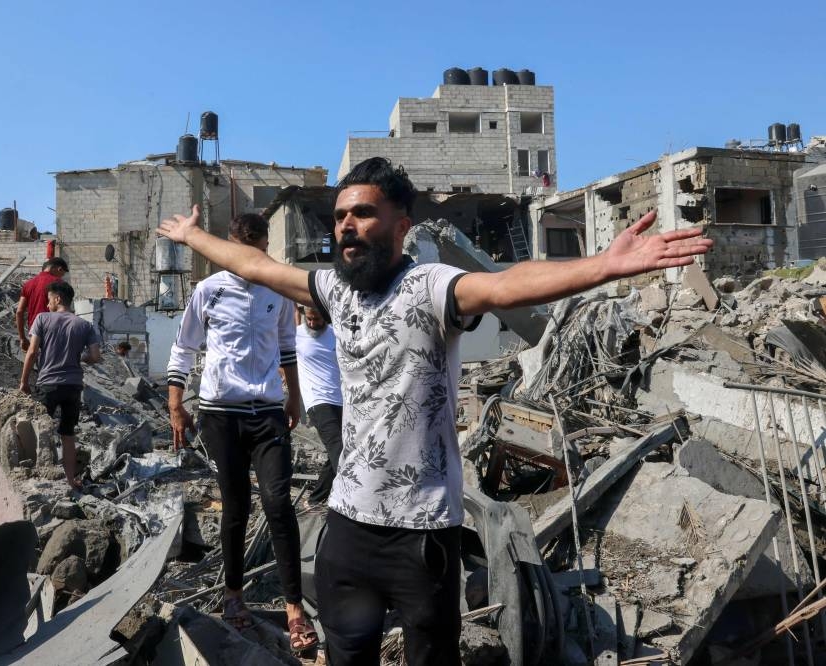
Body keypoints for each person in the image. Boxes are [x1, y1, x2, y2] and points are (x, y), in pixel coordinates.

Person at [157, 157, 712, 665]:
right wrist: (193, 235)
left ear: (402, 227)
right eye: (341, 215)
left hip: (420, 539)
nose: (346, 224)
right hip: (347, 533)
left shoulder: (430, 287)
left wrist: (602, 266)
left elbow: (504, 286)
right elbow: (254, 266)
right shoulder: (333, 290)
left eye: (364, 213)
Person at [166, 213, 319, 652]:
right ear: (231, 244)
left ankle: (294, 608)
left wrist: (294, 396)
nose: (253, 256)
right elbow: (184, 346)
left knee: (278, 502)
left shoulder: (277, 290)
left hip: (268, 413)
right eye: (245, 247)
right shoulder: (208, 291)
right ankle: (234, 597)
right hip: (220, 414)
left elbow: (287, 346)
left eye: (259, 248)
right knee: (235, 506)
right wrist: (176, 404)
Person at [19, 281, 101, 489]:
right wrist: (78, 358)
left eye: (48, 300)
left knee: (40, 430)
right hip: (73, 386)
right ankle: (70, 480)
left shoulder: (43, 319)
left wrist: (24, 381)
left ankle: (41, 478)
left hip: (48, 384)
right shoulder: (84, 325)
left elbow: (32, 352)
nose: (47, 305)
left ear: (57, 299)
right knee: (68, 433)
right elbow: (95, 356)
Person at [294, 304, 343, 505]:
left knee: (343, 449)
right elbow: (280, 360)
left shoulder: (336, 335)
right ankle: (347, 500)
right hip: (317, 400)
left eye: (317, 320)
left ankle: (315, 500)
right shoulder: (295, 335)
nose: (313, 324)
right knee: (339, 451)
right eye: (309, 319)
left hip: (341, 400)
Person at [17, 257, 69, 352]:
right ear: (59, 269)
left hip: (33, 332)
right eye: (62, 274)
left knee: (35, 359)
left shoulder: (28, 284)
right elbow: (64, 309)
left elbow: (19, 312)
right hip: (54, 332)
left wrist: (22, 338)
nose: (61, 277)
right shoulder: (59, 284)